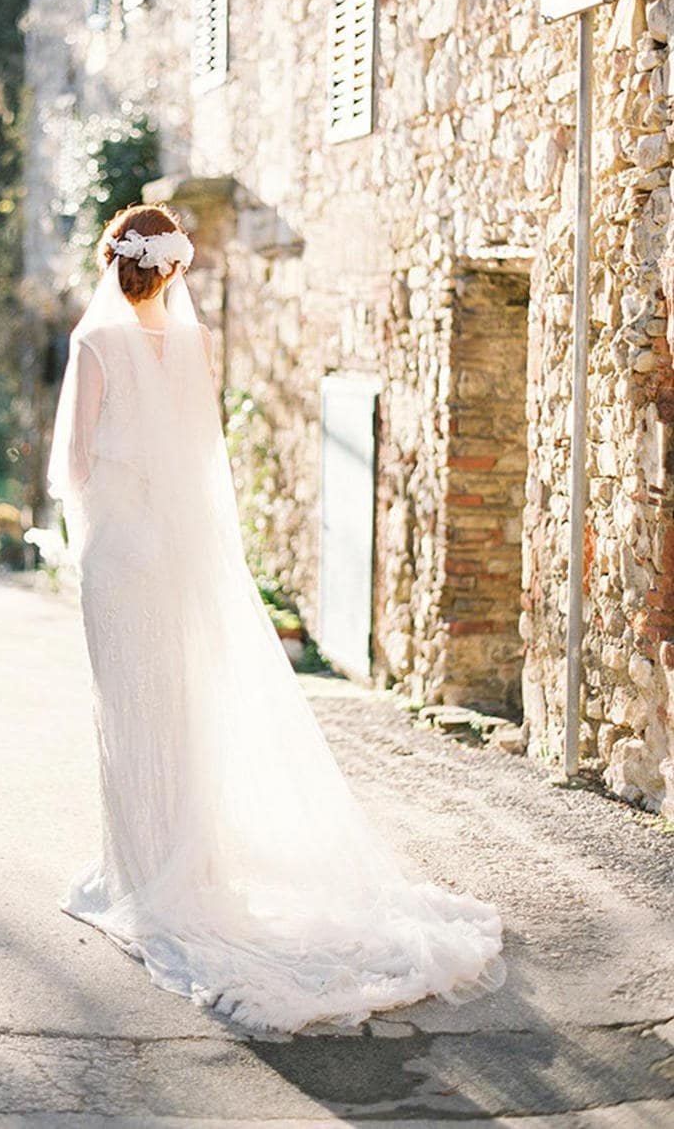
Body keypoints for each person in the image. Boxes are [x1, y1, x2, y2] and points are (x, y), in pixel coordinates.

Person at [46, 202, 506, 1036]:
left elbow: (75, 465)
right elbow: (199, 456)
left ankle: (140, 876)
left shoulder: (93, 344)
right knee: (182, 707)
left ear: (115, 258)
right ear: (175, 267)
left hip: (120, 554)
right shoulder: (193, 345)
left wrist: (98, 523)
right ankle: (192, 867)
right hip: (179, 552)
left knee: (128, 707)